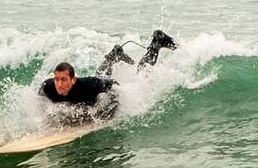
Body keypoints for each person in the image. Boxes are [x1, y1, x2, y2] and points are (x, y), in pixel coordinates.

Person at [37, 31, 177, 123]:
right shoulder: (48, 87)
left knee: (142, 74)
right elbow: (40, 99)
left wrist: (109, 114)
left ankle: (157, 43)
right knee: (100, 74)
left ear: (73, 80)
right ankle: (115, 55)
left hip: (102, 89)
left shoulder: (87, 86)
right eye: (57, 79)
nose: (59, 84)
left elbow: (114, 85)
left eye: (63, 80)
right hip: (95, 87)